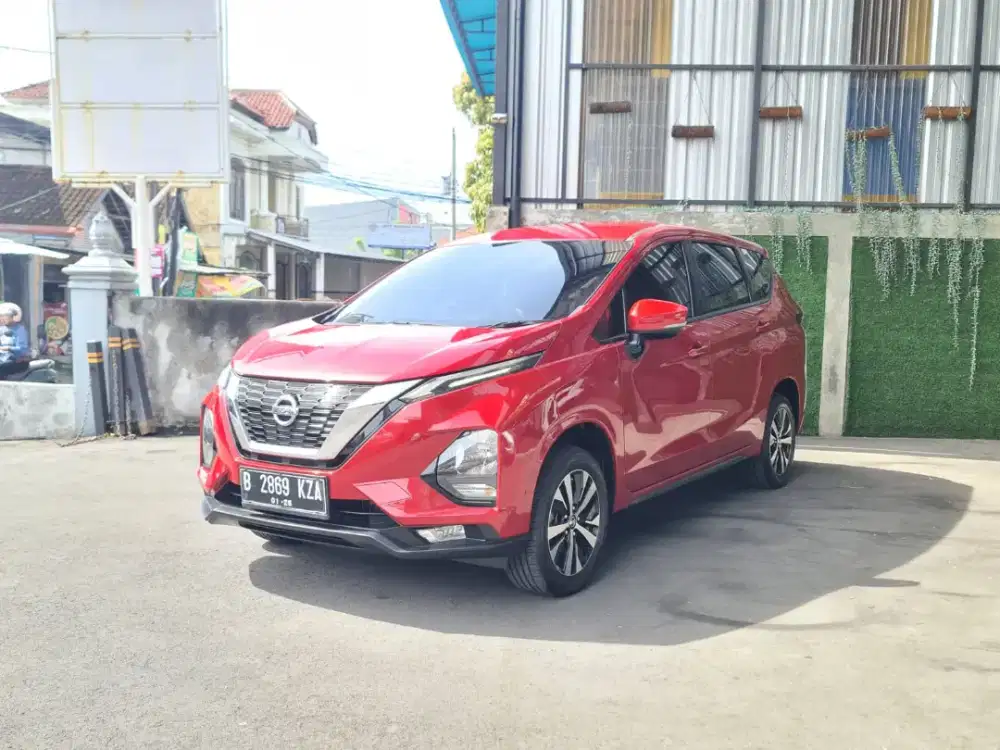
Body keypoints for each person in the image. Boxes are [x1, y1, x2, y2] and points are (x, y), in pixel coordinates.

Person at [0, 302, 30, 380]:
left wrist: (7, 348)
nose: (2, 318)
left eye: (5, 316)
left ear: (13, 317)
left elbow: (22, 349)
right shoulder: (2, 329)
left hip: (17, 361)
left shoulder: (20, 330)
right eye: (1, 316)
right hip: (3, 359)